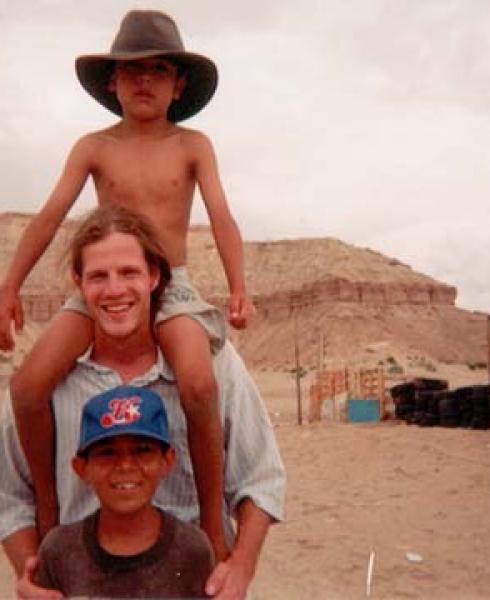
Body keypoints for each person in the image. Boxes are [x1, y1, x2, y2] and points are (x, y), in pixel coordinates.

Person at [0, 9, 253, 559]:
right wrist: (8, 287)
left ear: (177, 83)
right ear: (111, 82)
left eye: (158, 69)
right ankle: (48, 508)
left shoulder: (193, 145)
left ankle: (211, 518)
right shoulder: (94, 147)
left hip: (172, 287)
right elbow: (49, 216)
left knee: (199, 383)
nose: (144, 80)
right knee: (26, 386)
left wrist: (238, 286)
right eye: (131, 70)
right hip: (104, 287)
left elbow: (222, 216)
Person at [0, 205, 285, 599]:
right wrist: (34, 575)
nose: (115, 290)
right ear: (78, 283)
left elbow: (260, 478)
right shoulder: (48, 381)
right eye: (98, 276)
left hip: (195, 584)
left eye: (129, 273)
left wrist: (242, 567)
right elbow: (10, 494)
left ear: (154, 276)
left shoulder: (213, 366)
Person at [34, 385, 215, 597]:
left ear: (167, 461)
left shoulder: (192, 550)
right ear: (81, 468)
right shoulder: (59, 551)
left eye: (142, 450)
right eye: (107, 453)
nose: (125, 465)